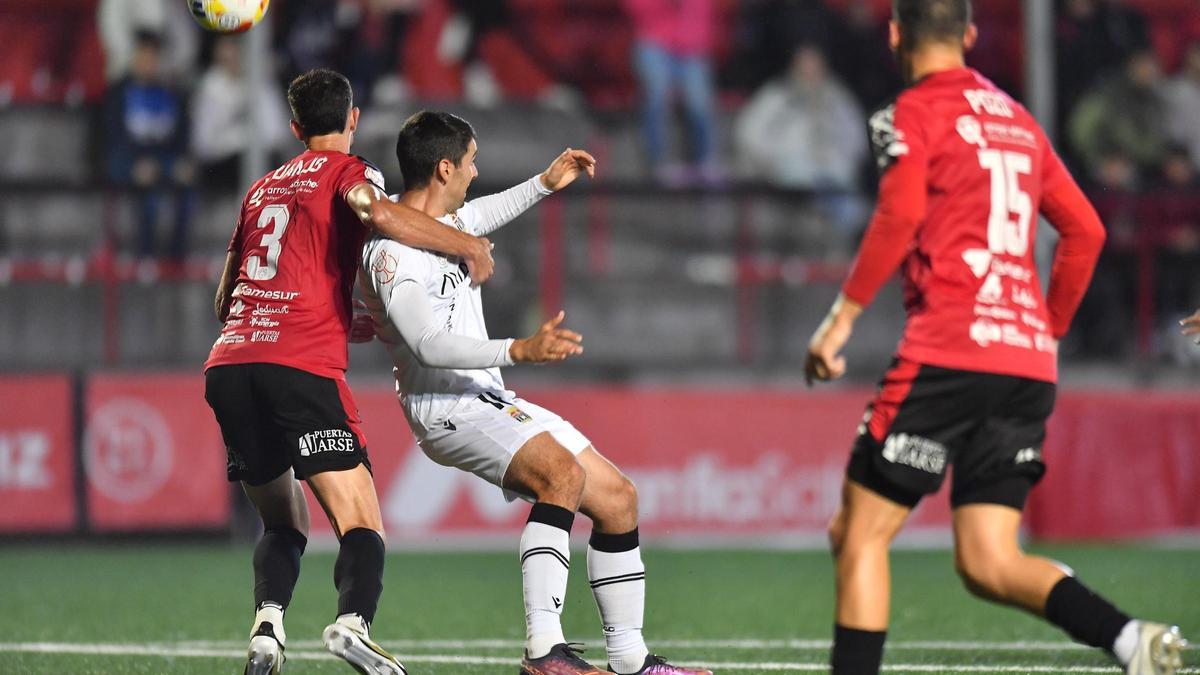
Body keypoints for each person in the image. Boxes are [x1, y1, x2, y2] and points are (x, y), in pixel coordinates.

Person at [802, 2, 1186, 675]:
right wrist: (1047, 329)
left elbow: (899, 211)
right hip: (1025, 363)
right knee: (988, 558)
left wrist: (840, 319)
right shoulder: (1017, 119)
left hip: (948, 350)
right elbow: (1086, 231)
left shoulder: (909, 113)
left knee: (857, 535)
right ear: (971, 37)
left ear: (895, 34)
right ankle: (1131, 639)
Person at [358, 110, 713, 675]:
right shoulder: (390, 253)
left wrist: (545, 182)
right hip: (445, 407)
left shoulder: (447, 228)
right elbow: (427, 343)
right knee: (562, 476)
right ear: (445, 167)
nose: (476, 173)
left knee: (619, 499)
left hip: (486, 397)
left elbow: (489, 210)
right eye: (471, 161)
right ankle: (544, 652)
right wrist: (517, 350)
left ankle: (630, 661)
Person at [203, 69, 494, 675]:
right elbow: (377, 215)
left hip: (230, 365)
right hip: (300, 367)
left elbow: (226, 297)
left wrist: (330, 309)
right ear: (353, 119)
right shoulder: (351, 172)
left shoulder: (259, 190)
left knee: (284, 521)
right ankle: (352, 625)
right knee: (361, 520)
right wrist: (460, 243)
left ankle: (266, 628)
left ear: (293, 127)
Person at [101, 30, 196, 259]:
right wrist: (135, 165)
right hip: (126, 159)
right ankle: (146, 259)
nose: (149, 63)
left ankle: (177, 258)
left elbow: (181, 139)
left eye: (153, 57)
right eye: (144, 56)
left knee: (188, 189)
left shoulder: (172, 94)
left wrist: (183, 163)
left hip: (162, 160)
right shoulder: (118, 93)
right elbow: (111, 140)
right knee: (150, 193)